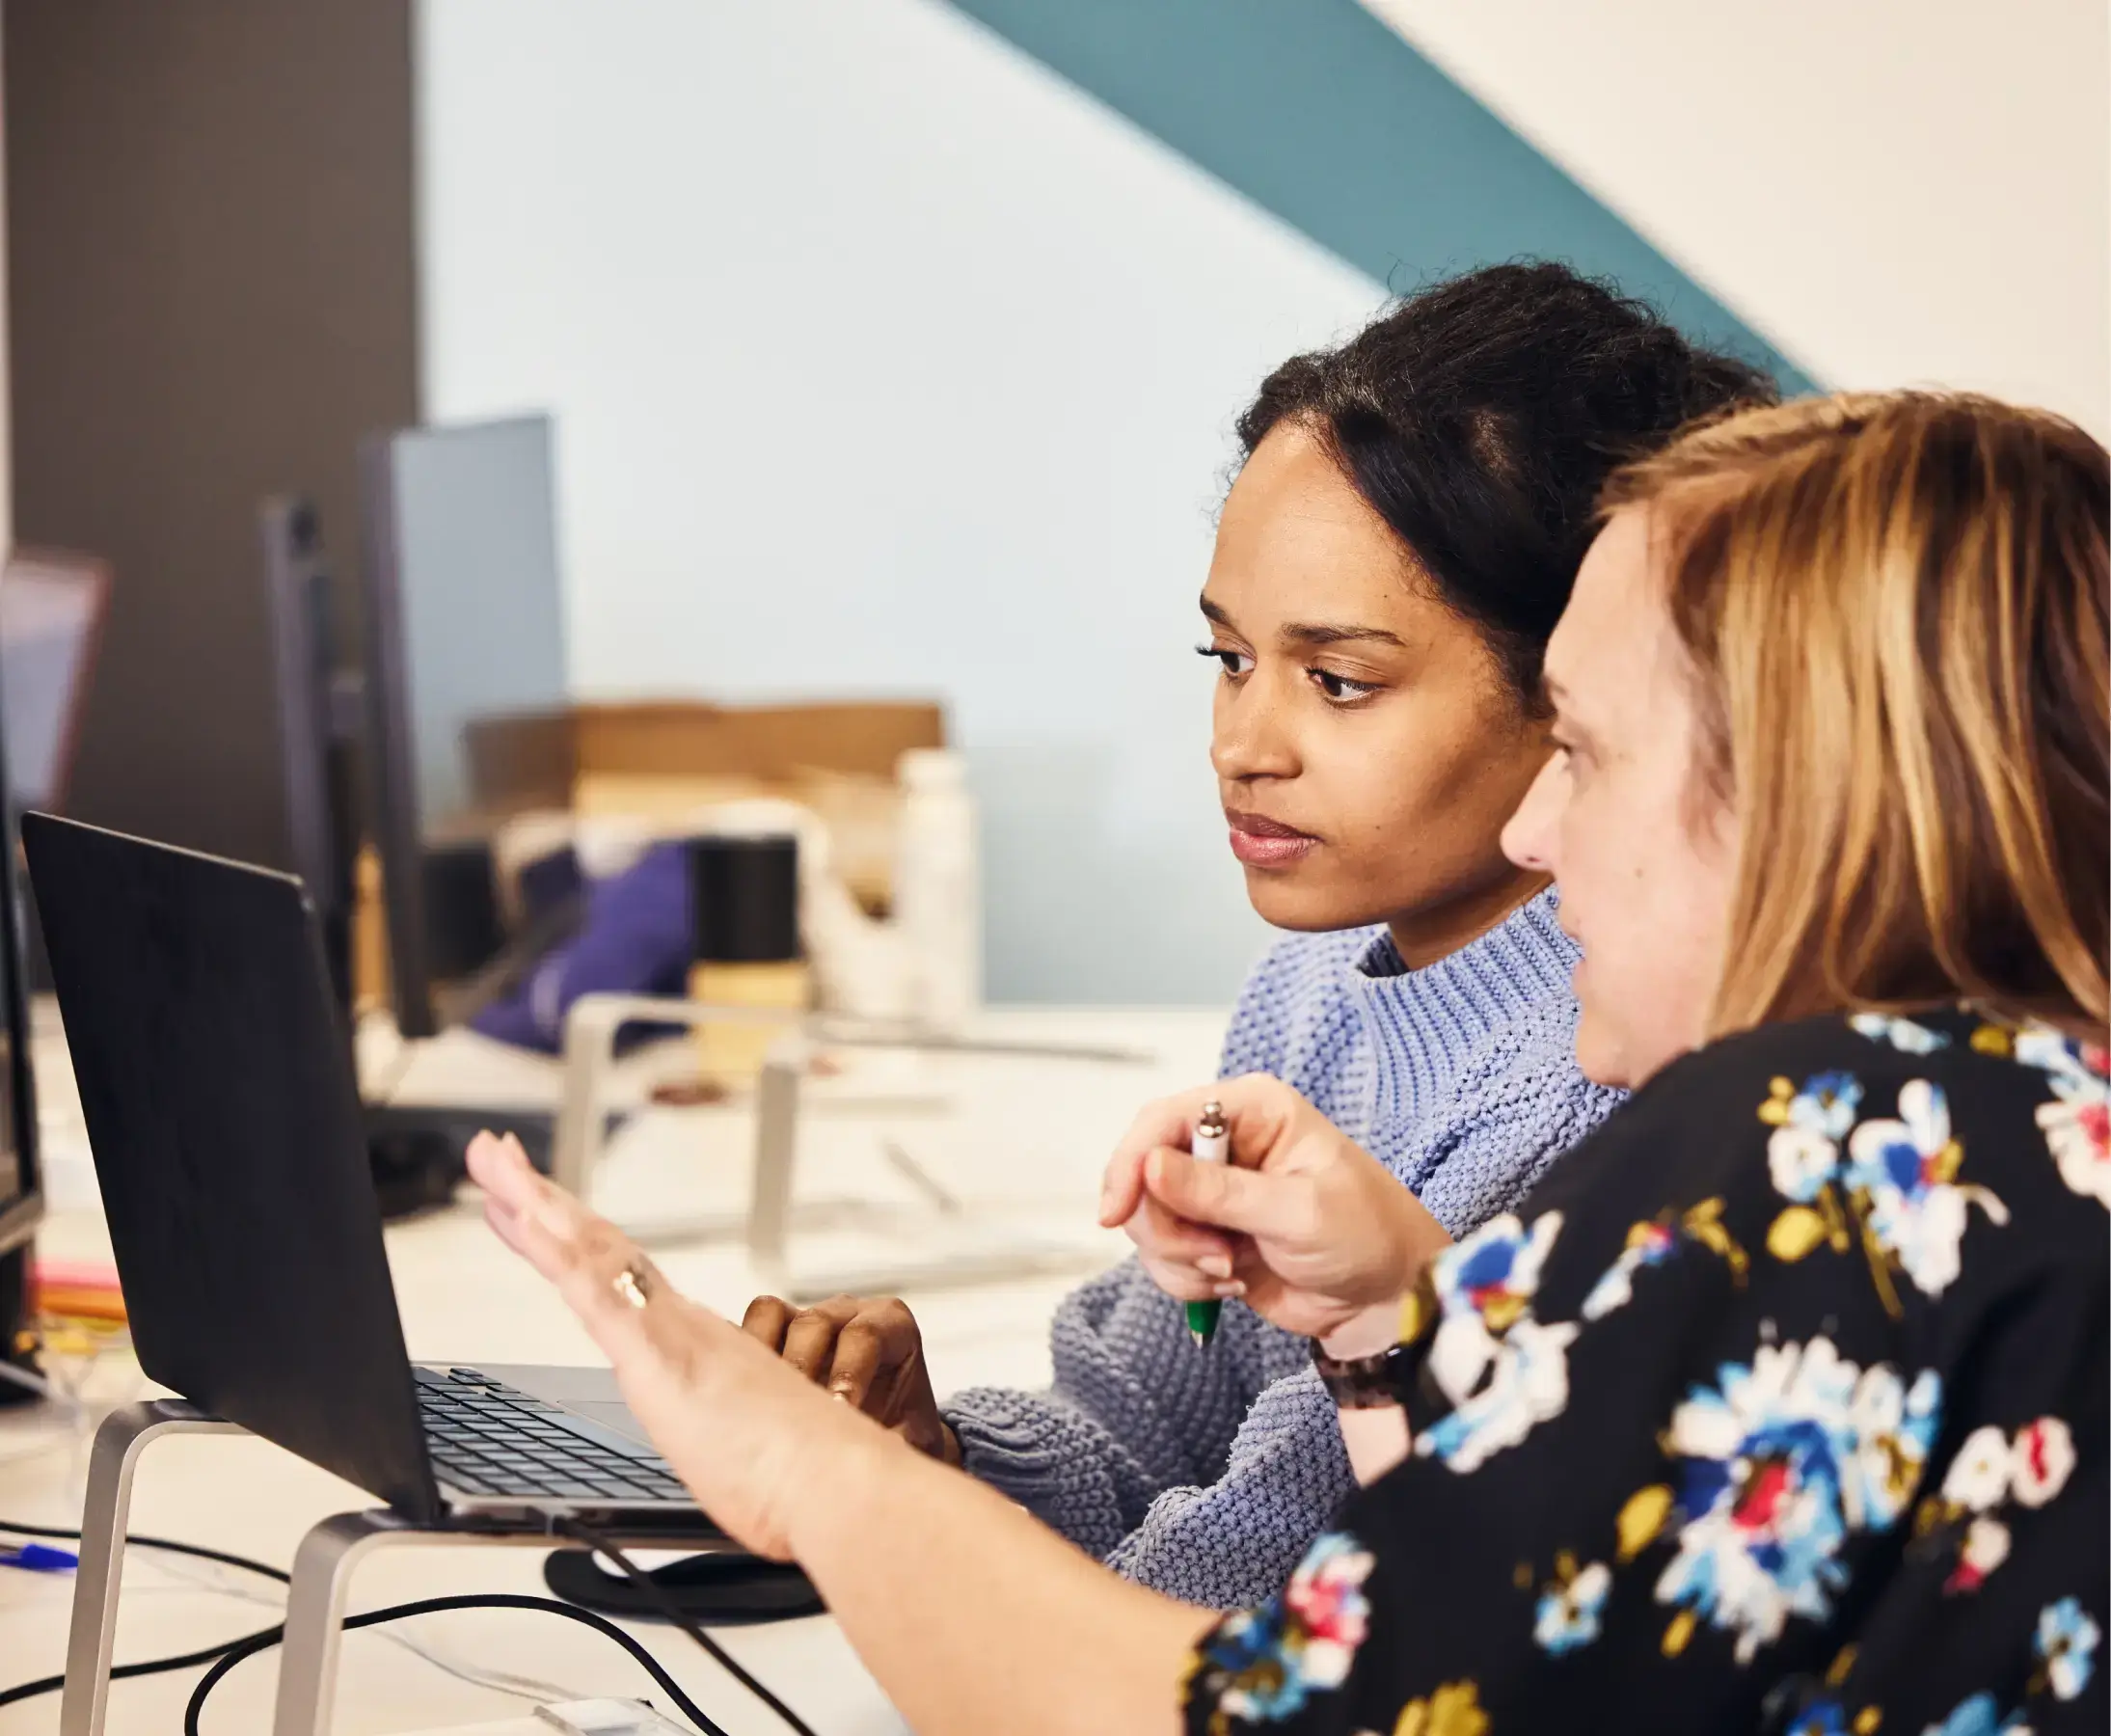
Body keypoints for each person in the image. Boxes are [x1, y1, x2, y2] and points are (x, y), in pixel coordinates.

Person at [471, 388, 2107, 1736]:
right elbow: (1514, 1620)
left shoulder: (1807, 1156)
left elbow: (1273, 1713)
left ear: (1813, 805)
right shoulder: (2009, 1127)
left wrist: (803, 1480)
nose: (1541, 828)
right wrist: (1393, 1323)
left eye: (1589, 755)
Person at [730, 263, 1775, 1607]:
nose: (1242, 745)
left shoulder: (1595, 1076)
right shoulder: (1318, 977)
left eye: (1339, 683)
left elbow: (1264, 1554)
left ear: (1573, 689)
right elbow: (1155, 1420)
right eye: (1229, 661)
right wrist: (938, 1454)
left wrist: (915, 1547)